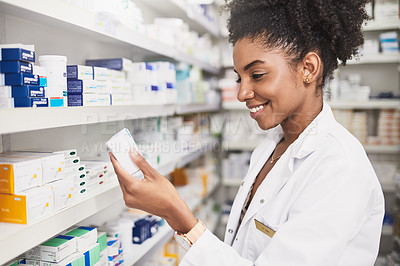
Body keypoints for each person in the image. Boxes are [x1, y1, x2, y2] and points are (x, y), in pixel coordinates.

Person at [109, 0, 385, 265]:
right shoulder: (270, 148)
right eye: (240, 78)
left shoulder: (340, 168)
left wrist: (177, 214)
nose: (242, 93)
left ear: (308, 68)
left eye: (258, 75)